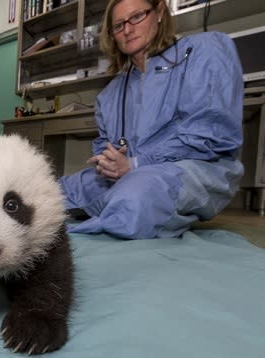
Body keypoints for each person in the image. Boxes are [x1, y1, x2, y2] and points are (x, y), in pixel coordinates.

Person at [58, 0, 244, 239]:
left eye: (136, 17)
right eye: (118, 25)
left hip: (193, 168)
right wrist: (108, 162)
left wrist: (136, 165)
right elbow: (106, 144)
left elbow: (211, 133)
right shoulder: (110, 93)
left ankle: (89, 226)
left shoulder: (205, 50)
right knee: (54, 192)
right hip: (127, 175)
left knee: (135, 196)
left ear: (159, 13)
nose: (127, 29)